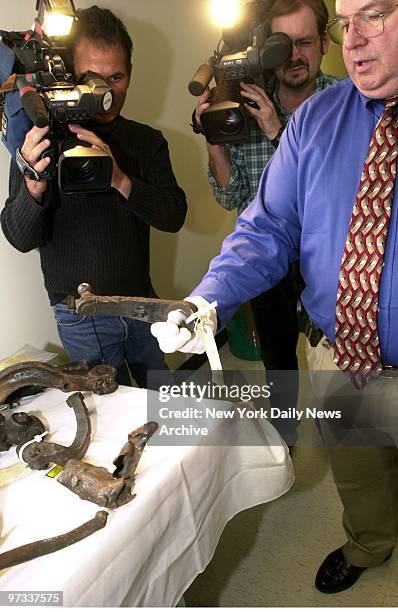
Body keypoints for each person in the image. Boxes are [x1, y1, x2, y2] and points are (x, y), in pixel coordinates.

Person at [152, 0, 398, 595]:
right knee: (361, 475)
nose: (355, 39)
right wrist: (208, 300)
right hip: (342, 358)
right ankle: (371, 542)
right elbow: (266, 227)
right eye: (348, 22)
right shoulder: (318, 119)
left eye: (378, 15)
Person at [1, 6, 187, 388]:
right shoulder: (41, 137)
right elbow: (20, 238)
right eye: (92, 77)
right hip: (79, 315)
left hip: (142, 303)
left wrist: (119, 178)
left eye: (116, 77)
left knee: (164, 400)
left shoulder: (146, 141)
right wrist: (34, 184)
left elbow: (173, 216)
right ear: (70, 73)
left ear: (130, 76)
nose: (105, 91)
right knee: (108, 421)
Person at [193, 0, 340, 445]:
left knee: (337, 357)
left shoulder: (344, 106)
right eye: (282, 45)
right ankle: (284, 437)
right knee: (278, 359)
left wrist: (280, 132)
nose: (294, 56)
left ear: (326, 43)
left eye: (305, 42)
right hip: (267, 262)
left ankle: (349, 441)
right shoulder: (246, 106)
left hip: (328, 259)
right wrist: (215, 137)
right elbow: (229, 194)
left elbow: (332, 197)